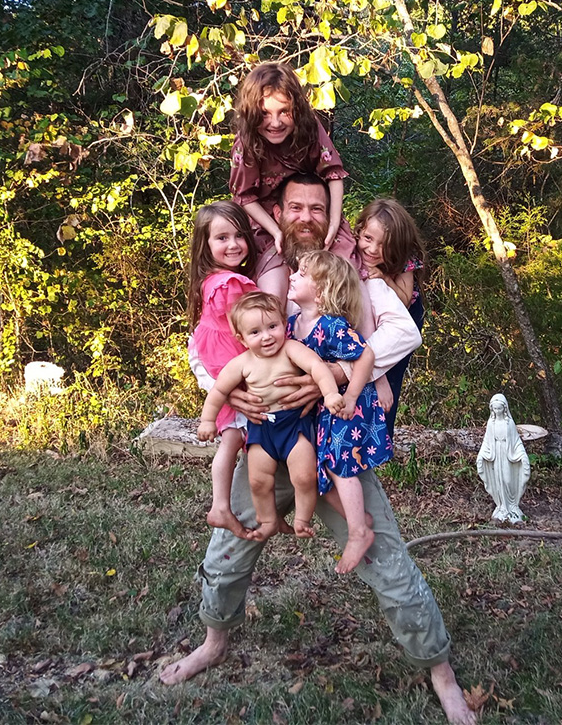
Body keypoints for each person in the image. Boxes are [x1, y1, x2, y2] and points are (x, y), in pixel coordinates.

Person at [166, 174, 477, 725]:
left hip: (333, 450)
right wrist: (228, 392)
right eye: (295, 207)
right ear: (278, 214)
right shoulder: (257, 274)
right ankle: (214, 640)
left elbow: (394, 337)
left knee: (385, 557)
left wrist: (329, 375)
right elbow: (211, 341)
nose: (306, 216)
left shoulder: (353, 275)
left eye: (317, 206)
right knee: (229, 547)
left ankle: (440, 670)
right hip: (266, 445)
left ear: (329, 215)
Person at [197, 291, 344, 540]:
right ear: (241, 338)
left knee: (304, 477)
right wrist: (207, 420)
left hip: (293, 424)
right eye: (255, 332)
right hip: (262, 428)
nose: (266, 336)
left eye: (272, 326)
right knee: (258, 481)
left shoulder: (290, 349)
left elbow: (317, 367)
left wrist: (329, 394)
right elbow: (220, 390)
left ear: (283, 324)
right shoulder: (241, 363)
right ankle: (267, 521)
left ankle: (302, 520)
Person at [287, 250, 392, 573]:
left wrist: (352, 396)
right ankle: (360, 519)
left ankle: (358, 532)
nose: (291, 276)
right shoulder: (292, 326)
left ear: (321, 290)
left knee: (337, 465)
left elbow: (365, 357)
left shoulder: (331, 326)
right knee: (320, 473)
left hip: (349, 406)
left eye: (301, 274)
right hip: (323, 410)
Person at [229, 62, 358, 299]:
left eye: (284, 112)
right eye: (265, 113)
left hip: (311, 210)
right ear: (251, 113)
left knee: (346, 272)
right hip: (268, 220)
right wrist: (276, 231)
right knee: (272, 287)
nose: (275, 123)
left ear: (296, 109)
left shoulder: (308, 126)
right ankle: (278, 331)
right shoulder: (246, 143)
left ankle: (355, 333)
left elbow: (334, 172)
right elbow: (244, 197)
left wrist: (334, 221)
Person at [187, 201, 258, 534]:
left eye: (239, 235)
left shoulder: (213, 279)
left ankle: (225, 506)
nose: (233, 244)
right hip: (230, 360)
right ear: (205, 244)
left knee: (233, 437)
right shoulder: (228, 284)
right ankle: (220, 506)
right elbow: (247, 330)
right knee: (231, 439)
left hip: (218, 356)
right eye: (222, 238)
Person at [354, 198, 427, 434]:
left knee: (391, 373)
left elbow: (404, 299)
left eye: (384, 244)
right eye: (367, 238)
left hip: (405, 314)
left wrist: (383, 278)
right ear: (359, 230)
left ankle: (384, 434)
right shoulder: (351, 247)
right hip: (371, 311)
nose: (373, 250)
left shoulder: (406, 256)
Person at [476, 394, 530, 524]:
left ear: (504, 408)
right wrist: (481, 454)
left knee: (507, 480)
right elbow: (487, 441)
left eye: (499, 408)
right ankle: (501, 506)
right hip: (496, 455)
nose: (497, 411)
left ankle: (512, 506)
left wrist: (522, 455)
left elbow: (516, 441)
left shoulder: (509, 423)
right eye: (495, 409)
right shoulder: (491, 423)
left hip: (507, 454)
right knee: (498, 481)